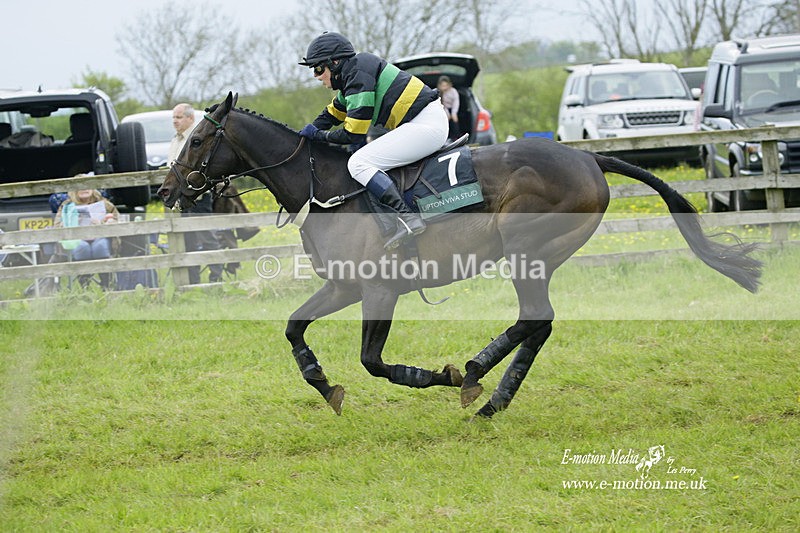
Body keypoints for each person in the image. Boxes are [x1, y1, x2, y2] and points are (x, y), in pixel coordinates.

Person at [298, 31, 449, 250]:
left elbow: (353, 133)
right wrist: (306, 132)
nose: (316, 76)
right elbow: (332, 113)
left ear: (336, 63)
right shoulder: (354, 75)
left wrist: (318, 136)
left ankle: (408, 218)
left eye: (319, 68)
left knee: (358, 163)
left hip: (426, 125)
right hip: (422, 122)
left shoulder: (358, 77)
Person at [168, 103, 224, 284]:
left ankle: (216, 279)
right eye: (174, 117)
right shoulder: (175, 140)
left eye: (179, 117)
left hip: (198, 198)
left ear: (190, 118)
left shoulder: (196, 138)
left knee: (207, 238)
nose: (175, 121)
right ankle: (193, 281)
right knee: (188, 241)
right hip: (180, 199)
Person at [53, 188, 119, 288]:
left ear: (92, 189)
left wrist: (103, 223)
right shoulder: (66, 205)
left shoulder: (104, 203)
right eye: (80, 188)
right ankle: (84, 285)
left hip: (99, 237)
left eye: (87, 187)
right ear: (74, 191)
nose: (84, 189)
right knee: (82, 247)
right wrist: (73, 221)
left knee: (100, 246)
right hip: (76, 239)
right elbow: (57, 226)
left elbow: (118, 220)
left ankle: (107, 284)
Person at [437, 75, 460, 141]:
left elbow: (456, 102)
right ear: (440, 86)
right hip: (444, 109)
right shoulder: (439, 93)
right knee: (446, 121)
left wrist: (454, 113)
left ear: (449, 84)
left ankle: (456, 137)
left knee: (455, 120)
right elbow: (441, 104)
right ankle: (447, 138)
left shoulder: (453, 91)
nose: (445, 87)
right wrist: (446, 113)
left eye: (446, 85)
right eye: (443, 86)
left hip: (454, 108)